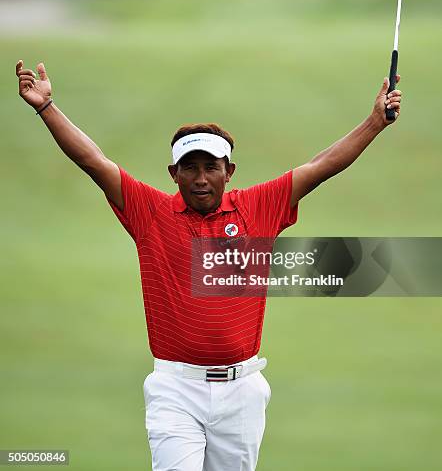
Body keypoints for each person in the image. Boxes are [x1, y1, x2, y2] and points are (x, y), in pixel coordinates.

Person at [15, 60, 402, 471]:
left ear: (228, 172)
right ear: (174, 174)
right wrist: (46, 108)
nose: (201, 178)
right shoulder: (152, 212)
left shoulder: (258, 207)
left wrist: (375, 122)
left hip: (243, 392)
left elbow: (321, 166)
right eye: (190, 168)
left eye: (211, 167)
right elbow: (95, 162)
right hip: (175, 389)